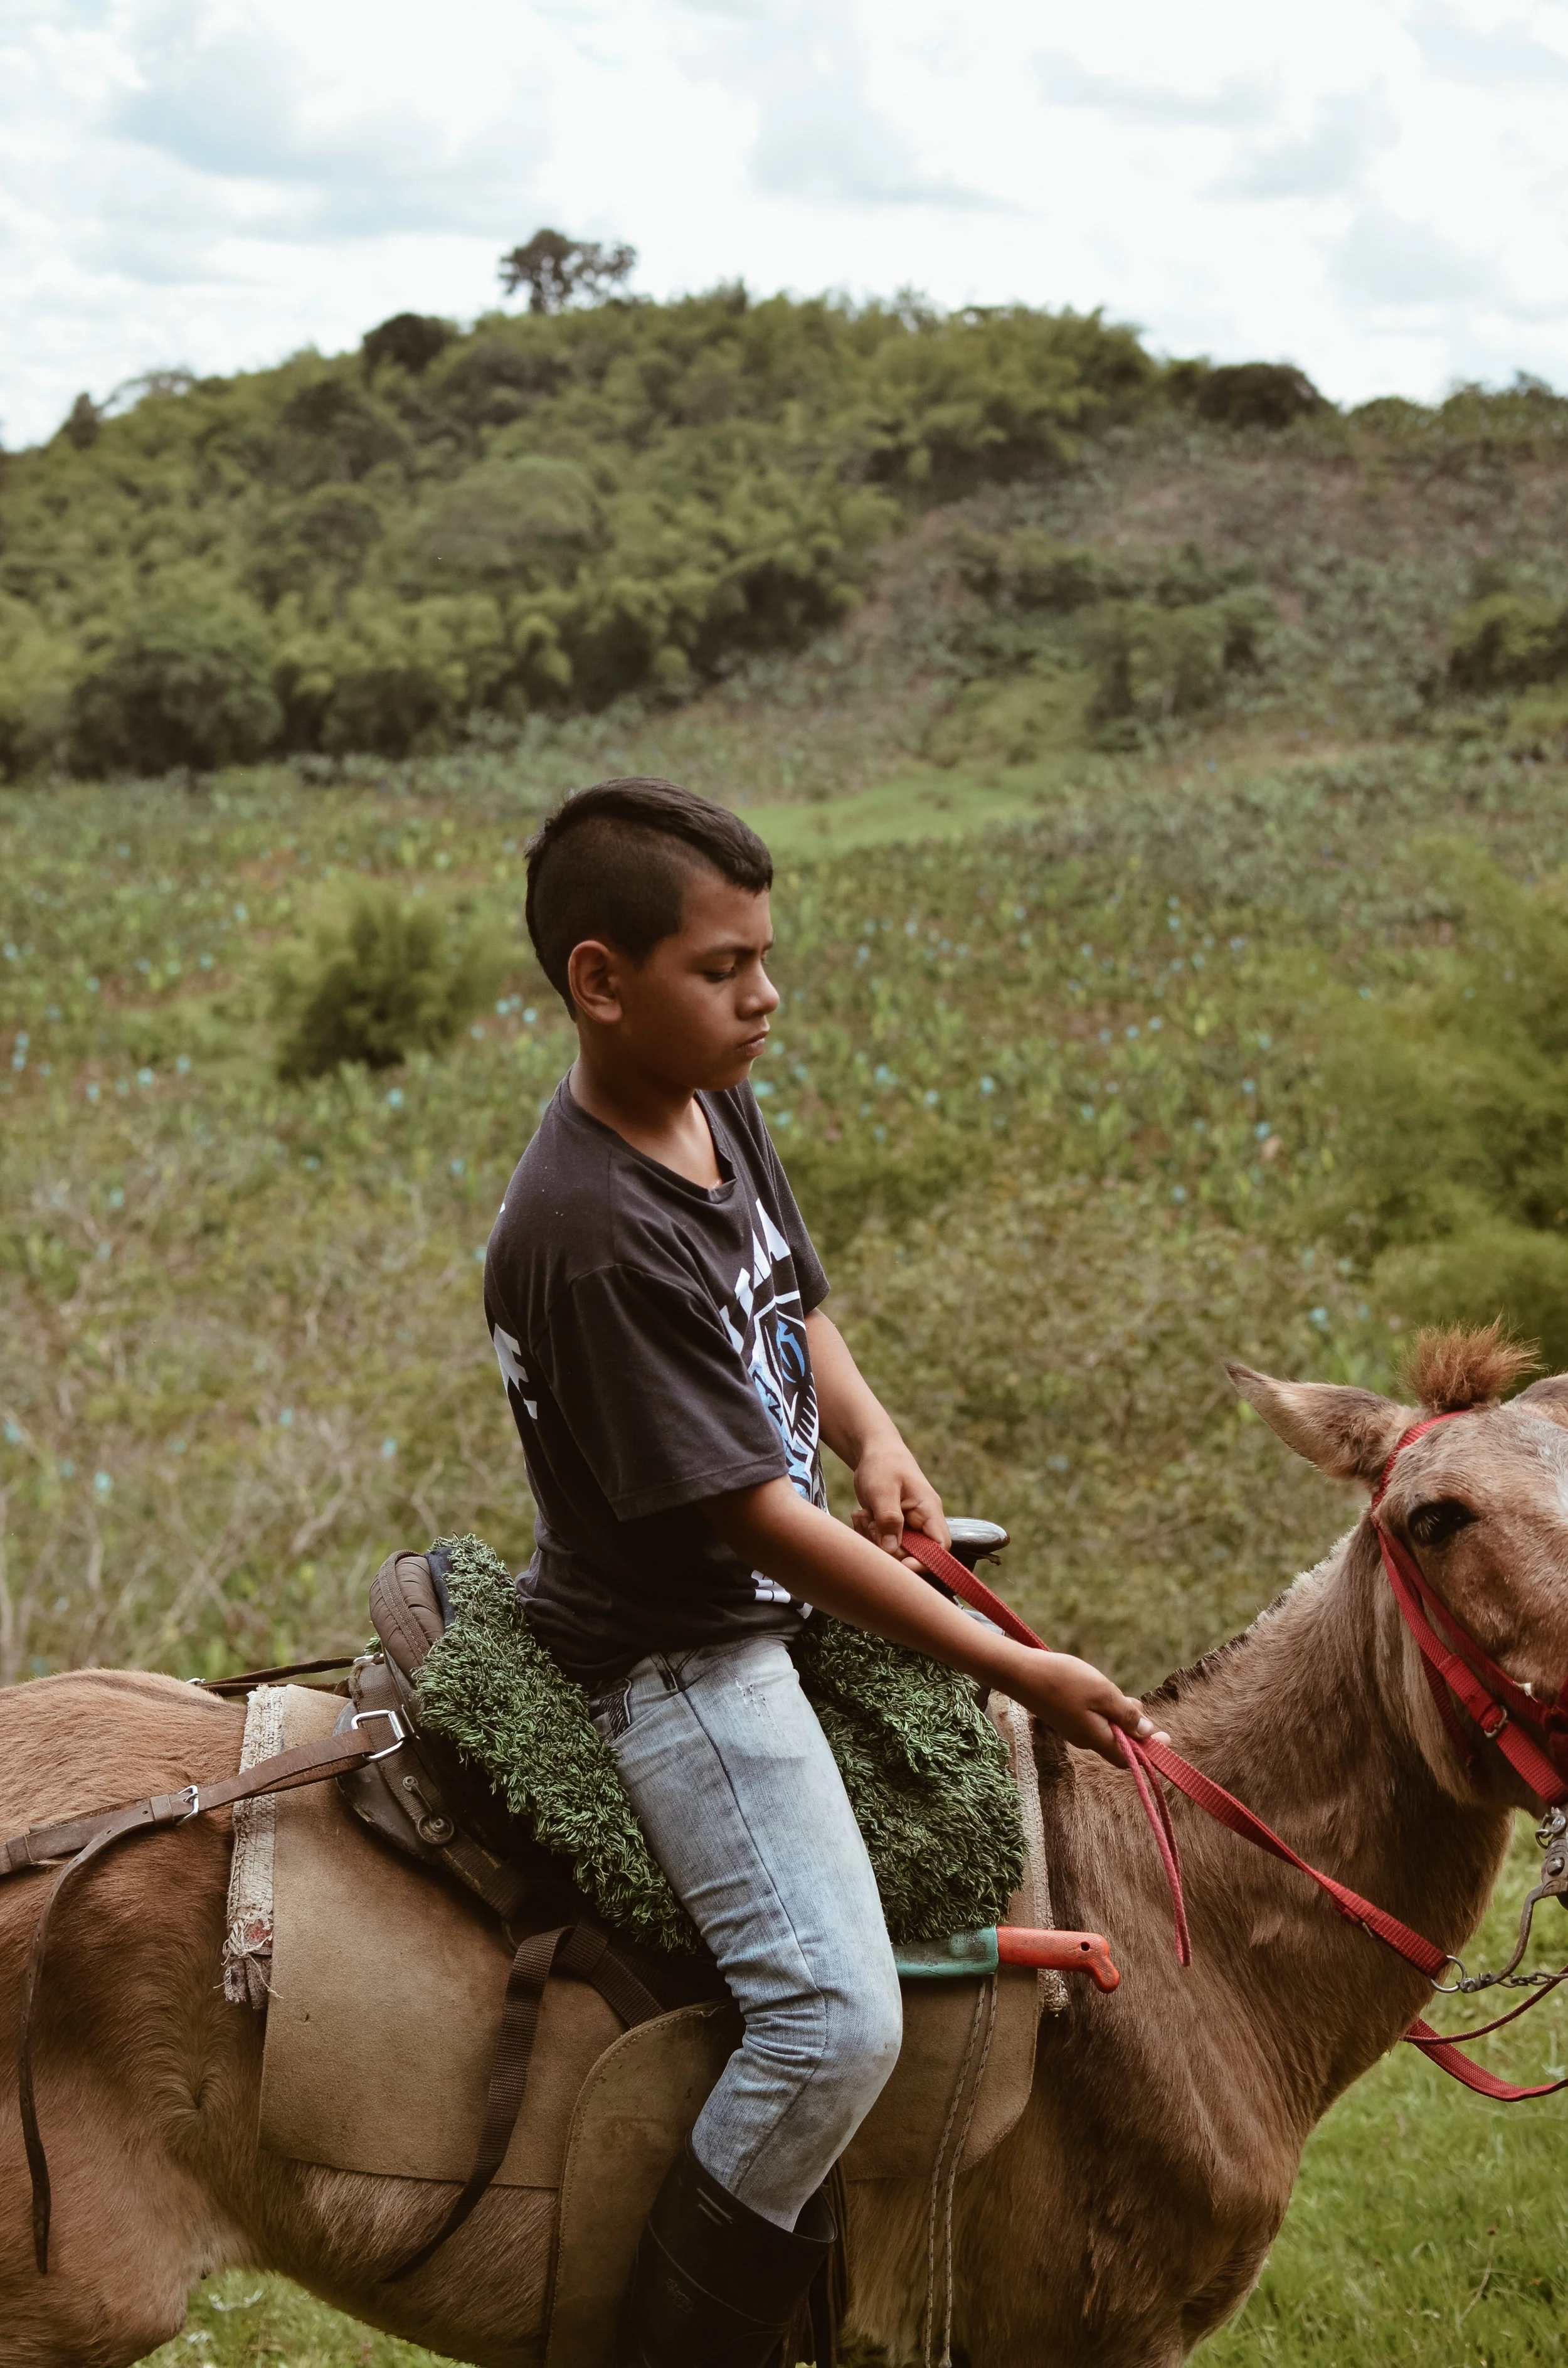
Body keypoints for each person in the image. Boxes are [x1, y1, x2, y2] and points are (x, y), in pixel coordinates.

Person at [484, 775, 1159, 2368]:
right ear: (600, 981)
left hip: (766, 1589)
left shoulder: (711, 1106)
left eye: (764, 957)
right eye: (722, 968)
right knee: (832, 2019)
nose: (763, 995)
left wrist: (874, 1437)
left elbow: (793, 1305)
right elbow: (752, 1529)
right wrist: (1016, 1667)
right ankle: (679, 2336)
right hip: (681, 1657)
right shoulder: (587, 1232)